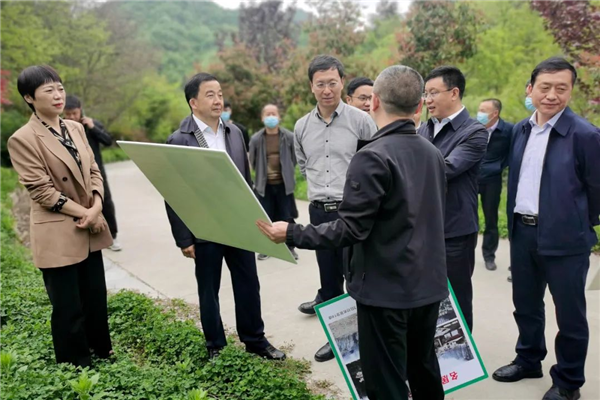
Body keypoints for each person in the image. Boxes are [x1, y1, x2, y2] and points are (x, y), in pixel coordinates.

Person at [258, 65, 447, 400]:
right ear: (419, 106)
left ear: (374, 102)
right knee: (424, 369)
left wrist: (292, 233)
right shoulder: (432, 152)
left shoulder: (372, 156)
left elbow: (350, 229)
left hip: (386, 290)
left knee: (385, 380)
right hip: (427, 285)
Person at [493, 57, 600, 400]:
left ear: (571, 91)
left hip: (566, 238)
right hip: (523, 232)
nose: (552, 95)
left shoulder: (585, 135)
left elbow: (597, 189)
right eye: (545, 87)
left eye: (561, 88)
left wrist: (577, 222)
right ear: (530, 89)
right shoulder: (521, 130)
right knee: (525, 304)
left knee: (569, 314)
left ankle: (568, 381)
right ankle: (528, 359)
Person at [164, 72, 285, 361]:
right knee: (209, 289)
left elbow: (244, 181)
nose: (218, 100)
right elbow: (173, 192)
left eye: (219, 94)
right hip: (204, 228)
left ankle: (255, 340)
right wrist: (184, 238)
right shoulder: (179, 139)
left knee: (248, 282)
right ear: (193, 102)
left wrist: (255, 219)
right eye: (210, 95)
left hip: (238, 222)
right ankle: (215, 345)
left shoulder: (234, 132)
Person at [7, 65, 113, 367]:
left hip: (88, 223)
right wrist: (86, 212)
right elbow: (42, 191)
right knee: (68, 305)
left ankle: (101, 352)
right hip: (58, 228)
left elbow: (94, 170)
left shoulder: (75, 128)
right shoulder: (23, 138)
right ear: (29, 98)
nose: (58, 95)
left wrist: (96, 206)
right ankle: (75, 365)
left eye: (60, 88)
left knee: (95, 296)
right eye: (48, 90)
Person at [294, 55, 377, 362]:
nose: (326, 90)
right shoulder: (301, 126)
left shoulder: (361, 121)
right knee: (329, 280)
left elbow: (375, 165)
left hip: (353, 212)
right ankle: (340, 339)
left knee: (358, 277)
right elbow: (304, 165)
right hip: (319, 212)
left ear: (342, 82)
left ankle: (367, 338)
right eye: (320, 84)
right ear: (311, 86)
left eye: (332, 82)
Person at [417, 66, 488, 332]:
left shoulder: (474, 132)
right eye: (426, 94)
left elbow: (446, 169)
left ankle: (460, 353)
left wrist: (403, 168)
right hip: (422, 229)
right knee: (424, 295)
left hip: (454, 230)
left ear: (454, 93)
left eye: (434, 93)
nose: (428, 100)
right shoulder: (423, 129)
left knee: (456, 299)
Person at [64, 95, 121, 252]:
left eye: (74, 113)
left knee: (105, 202)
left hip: (96, 172)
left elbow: (108, 141)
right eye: (68, 114)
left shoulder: (92, 124)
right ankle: (86, 238)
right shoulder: (61, 128)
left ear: (80, 110)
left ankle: (113, 236)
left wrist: (92, 127)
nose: (71, 117)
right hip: (74, 175)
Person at [249, 104, 299, 261]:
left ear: (279, 117)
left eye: (273, 114)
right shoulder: (256, 139)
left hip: (284, 184)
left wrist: (287, 171)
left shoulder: (288, 137)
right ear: (262, 118)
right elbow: (253, 161)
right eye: (267, 114)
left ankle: (290, 247)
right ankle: (266, 248)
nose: (271, 117)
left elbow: (294, 158)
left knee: (287, 216)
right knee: (266, 217)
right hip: (264, 185)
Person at [476, 98, 513, 271]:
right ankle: (465, 253)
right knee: (467, 217)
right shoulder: (473, 127)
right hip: (472, 178)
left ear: (495, 113)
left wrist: (499, 166)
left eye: (484, 111)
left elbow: (513, 152)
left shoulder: (508, 130)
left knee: (491, 219)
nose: (480, 114)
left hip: (492, 180)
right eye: (479, 110)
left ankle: (489, 255)